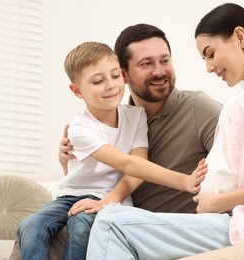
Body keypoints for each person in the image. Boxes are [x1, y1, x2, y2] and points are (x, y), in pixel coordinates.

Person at [85, 3, 244, 259]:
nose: (209, 67)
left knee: (111, 222)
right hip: (238, 219)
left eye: (211, 54)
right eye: (204, 58)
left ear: (240, 37)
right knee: (104, 220)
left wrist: (218, 202)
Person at [16, 41, 207, 260]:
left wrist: (104, 202)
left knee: (80, 227)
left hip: (113, 198)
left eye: (115, 76)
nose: (110, 85)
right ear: (77, 90)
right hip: (71, 196)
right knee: (29, 226)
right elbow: (126, 163)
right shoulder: (79, 129)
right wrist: (184, 181)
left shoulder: (136, 117)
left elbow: (136, 169)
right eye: (98, 81)